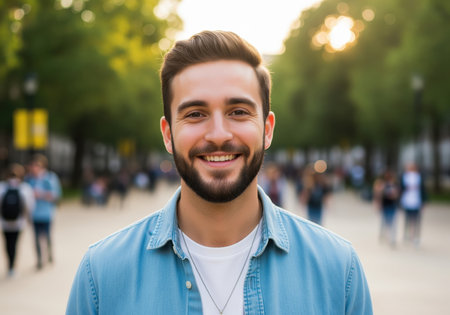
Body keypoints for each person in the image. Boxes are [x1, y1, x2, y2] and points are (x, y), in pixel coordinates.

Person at [66, 31, 372, 314]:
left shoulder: (338, 270)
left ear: (267, 129)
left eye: (238, 112)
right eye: (195, 114)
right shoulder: (101, 276)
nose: (218, 134)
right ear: (168, 134)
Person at [25, 154, 62, 269]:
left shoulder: (50, 178)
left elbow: (56, 195)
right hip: (34, 213)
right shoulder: (29, 179)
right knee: (36, 238)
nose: (34, 168)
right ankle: (40, 260)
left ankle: (49, 254)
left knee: (47, 236)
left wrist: (40, 194)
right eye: (32, 165)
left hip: (46, 213)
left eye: (37, 165)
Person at [0, 164, 35, 277]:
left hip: (5, 222)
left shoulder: (2, 187)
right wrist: (28, 218)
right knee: (14, 244)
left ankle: (9, 265)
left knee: (7, 244)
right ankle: (12, 267)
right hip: (19, 223)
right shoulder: (24, 188)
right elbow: (29, 206)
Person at [399, 162, 426, 247]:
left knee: (416, 220)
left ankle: (415, 236)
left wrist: (424, 201)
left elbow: (423, 189)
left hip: (416, 201)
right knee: (407, 219)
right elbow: (401, 188)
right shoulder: (404, 176)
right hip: (407, 201)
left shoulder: (419, 177)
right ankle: (407, 234)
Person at [373, 170, 399, 247]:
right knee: (385, 222)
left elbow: (396, 195)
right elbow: (378, 194)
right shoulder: (381, 184)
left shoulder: (394, 185)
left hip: (392, 205)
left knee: (392, 223)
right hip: (385, 205)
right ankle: (385, 235)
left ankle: (391, 238)